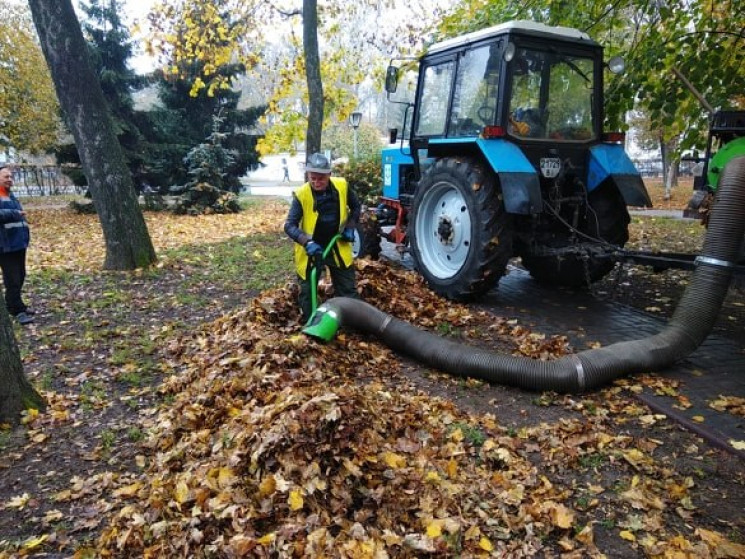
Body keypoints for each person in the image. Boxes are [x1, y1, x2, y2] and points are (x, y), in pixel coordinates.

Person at [284, 152, 360, 322]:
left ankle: (353, 320)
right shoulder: (301, 194)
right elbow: (289, 225)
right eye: (313, 178)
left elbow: (356, 207)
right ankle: (311, 323)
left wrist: (350, 227)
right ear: (308, 176)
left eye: (321, 179)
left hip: (336, 245)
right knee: (307, 290)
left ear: (329, 175)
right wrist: (307, 241)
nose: (316, 182)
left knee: (347, 287)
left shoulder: (342, 186)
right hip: (312, 249)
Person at [0, 164, 33, 325]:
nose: (10, 180)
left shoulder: (9, 195)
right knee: (12, 279)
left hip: (18, 244)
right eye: (6, 177)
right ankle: (16, 310)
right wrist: (14, 214)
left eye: (11, 177)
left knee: (20, 276)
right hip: (5, 246)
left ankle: (17, 304)